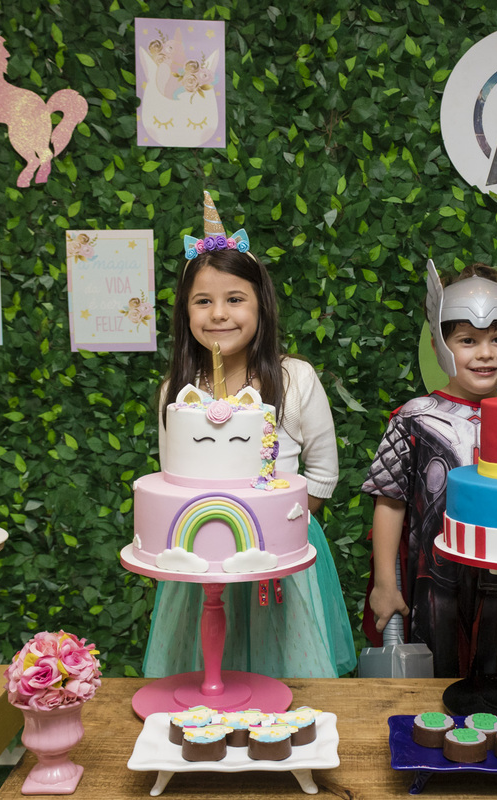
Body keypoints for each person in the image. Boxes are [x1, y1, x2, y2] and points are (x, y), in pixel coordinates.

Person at [142, 191, 355, 679]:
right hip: (199, 557)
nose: (219, 314)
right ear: (186, 312)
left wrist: (275, 524)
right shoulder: (176, 391)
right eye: (203, 301)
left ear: (261, 306)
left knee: (286, 677)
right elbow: (173, 478)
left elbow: (324, 472)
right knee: (207, 675)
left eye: (235, 299)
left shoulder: (295, 378)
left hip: (280, 557)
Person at [363, 260, 497, 679]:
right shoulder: (414, 417)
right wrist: (385, 584)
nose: (485, 353)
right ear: (440, 344)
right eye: (468, 340)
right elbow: (390, 502)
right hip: (434, 582)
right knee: (435, 681)